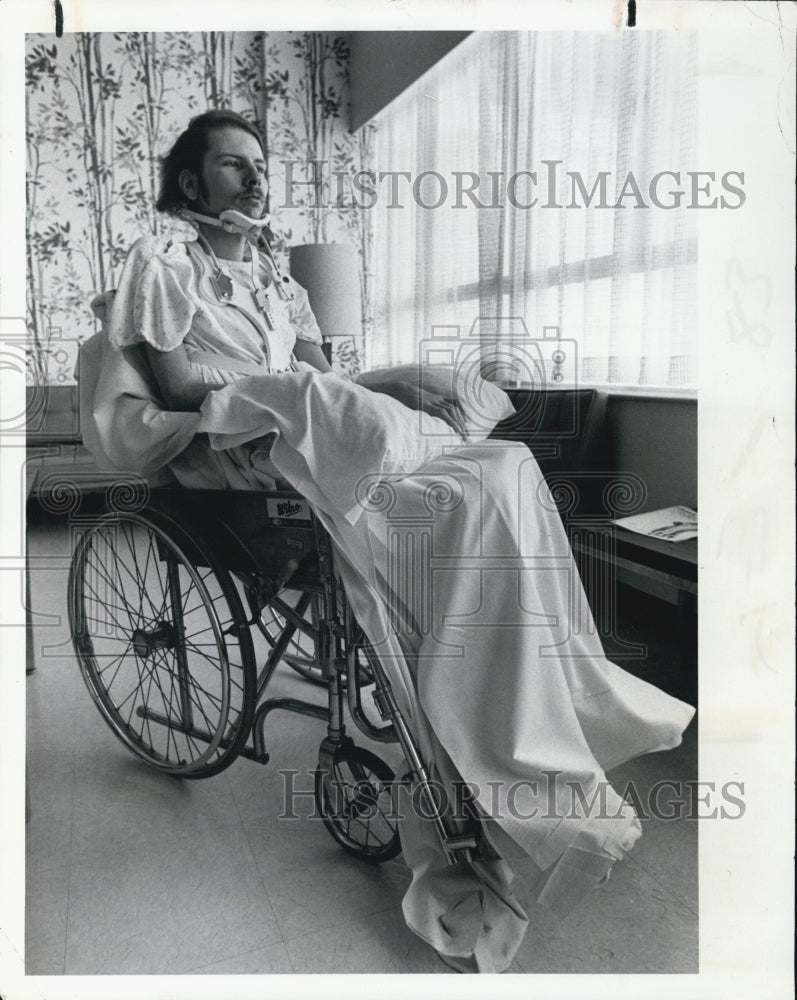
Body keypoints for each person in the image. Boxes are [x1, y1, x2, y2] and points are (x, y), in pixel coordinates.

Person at [101, 109, 695, 974]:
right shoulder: (162, 263)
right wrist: (299, 387)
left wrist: (386, 380)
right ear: (192, 184)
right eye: (233, 167)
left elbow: (325, 377)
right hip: (227, 449)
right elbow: (181, 384)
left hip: (301, 426)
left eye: (261, 165)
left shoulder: (278, 279)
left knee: (501, 471)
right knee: (386, 445)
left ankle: (509, 695)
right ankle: (479, 719)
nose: (256, 180)